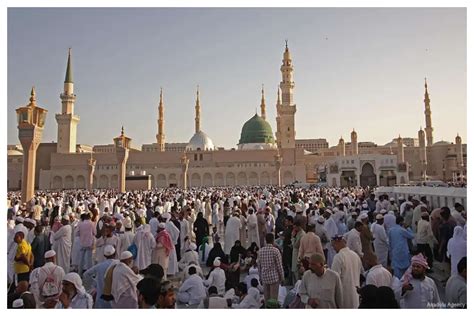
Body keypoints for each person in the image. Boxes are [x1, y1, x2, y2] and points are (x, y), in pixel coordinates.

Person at [331, 235, 363, 308]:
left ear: (337, 243)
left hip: (343, 296)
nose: (333, 248)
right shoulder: (355, 255)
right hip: (355, 295)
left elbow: (334, 279)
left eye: (333, 246)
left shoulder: (338, 257)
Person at [258, 233, 284, 303]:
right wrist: (282, 278)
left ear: (266, 240)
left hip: (264, 277)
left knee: (267, 300)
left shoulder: (260, 251)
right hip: (274, 278)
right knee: (273, 300)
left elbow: (259, 266)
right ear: (273, 240)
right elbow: (279, 266)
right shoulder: (276, 251)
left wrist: (260, 277)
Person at [76, 212, 95, 276]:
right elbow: (94, 233)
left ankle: (79, 272)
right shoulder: (92, 224)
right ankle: (89, 273)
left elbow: (77, 233)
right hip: (89, 243)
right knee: (89, 259)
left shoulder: (80, 224)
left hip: (82, 243)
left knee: (81, 258)